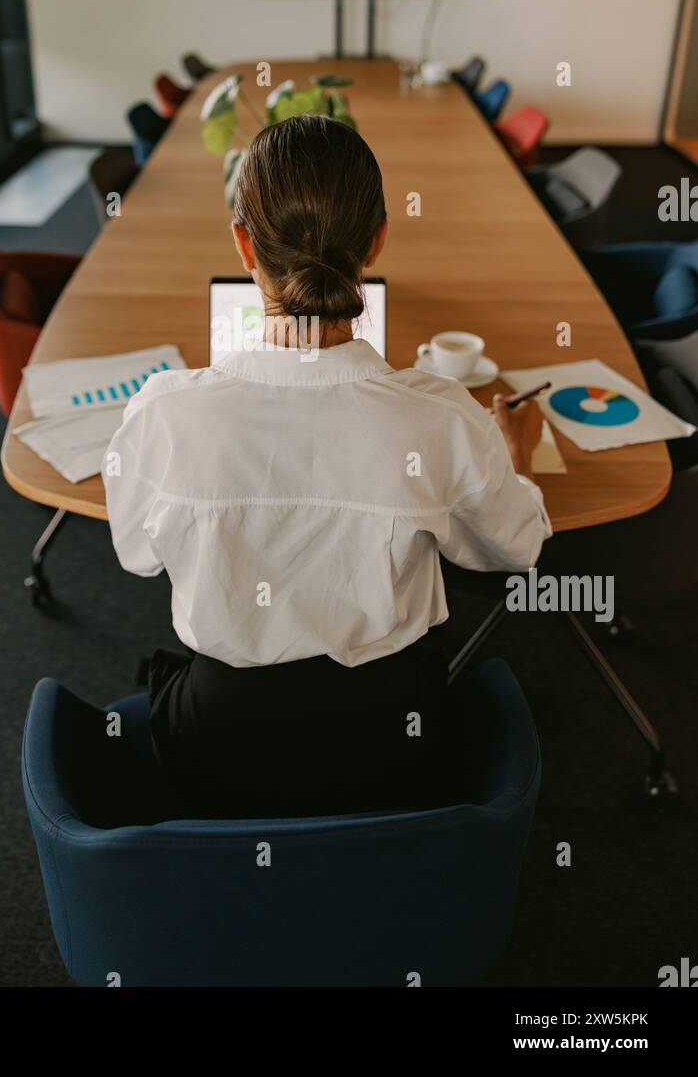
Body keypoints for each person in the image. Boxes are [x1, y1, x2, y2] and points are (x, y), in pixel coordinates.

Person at [102, 115, 551, 819]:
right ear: (377, 239)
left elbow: (135, 555)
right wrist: (515, 458)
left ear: (243, 245)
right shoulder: (440, 416)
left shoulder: (164, 413)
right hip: (394, 748)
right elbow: (515, 548)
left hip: (219, 750)